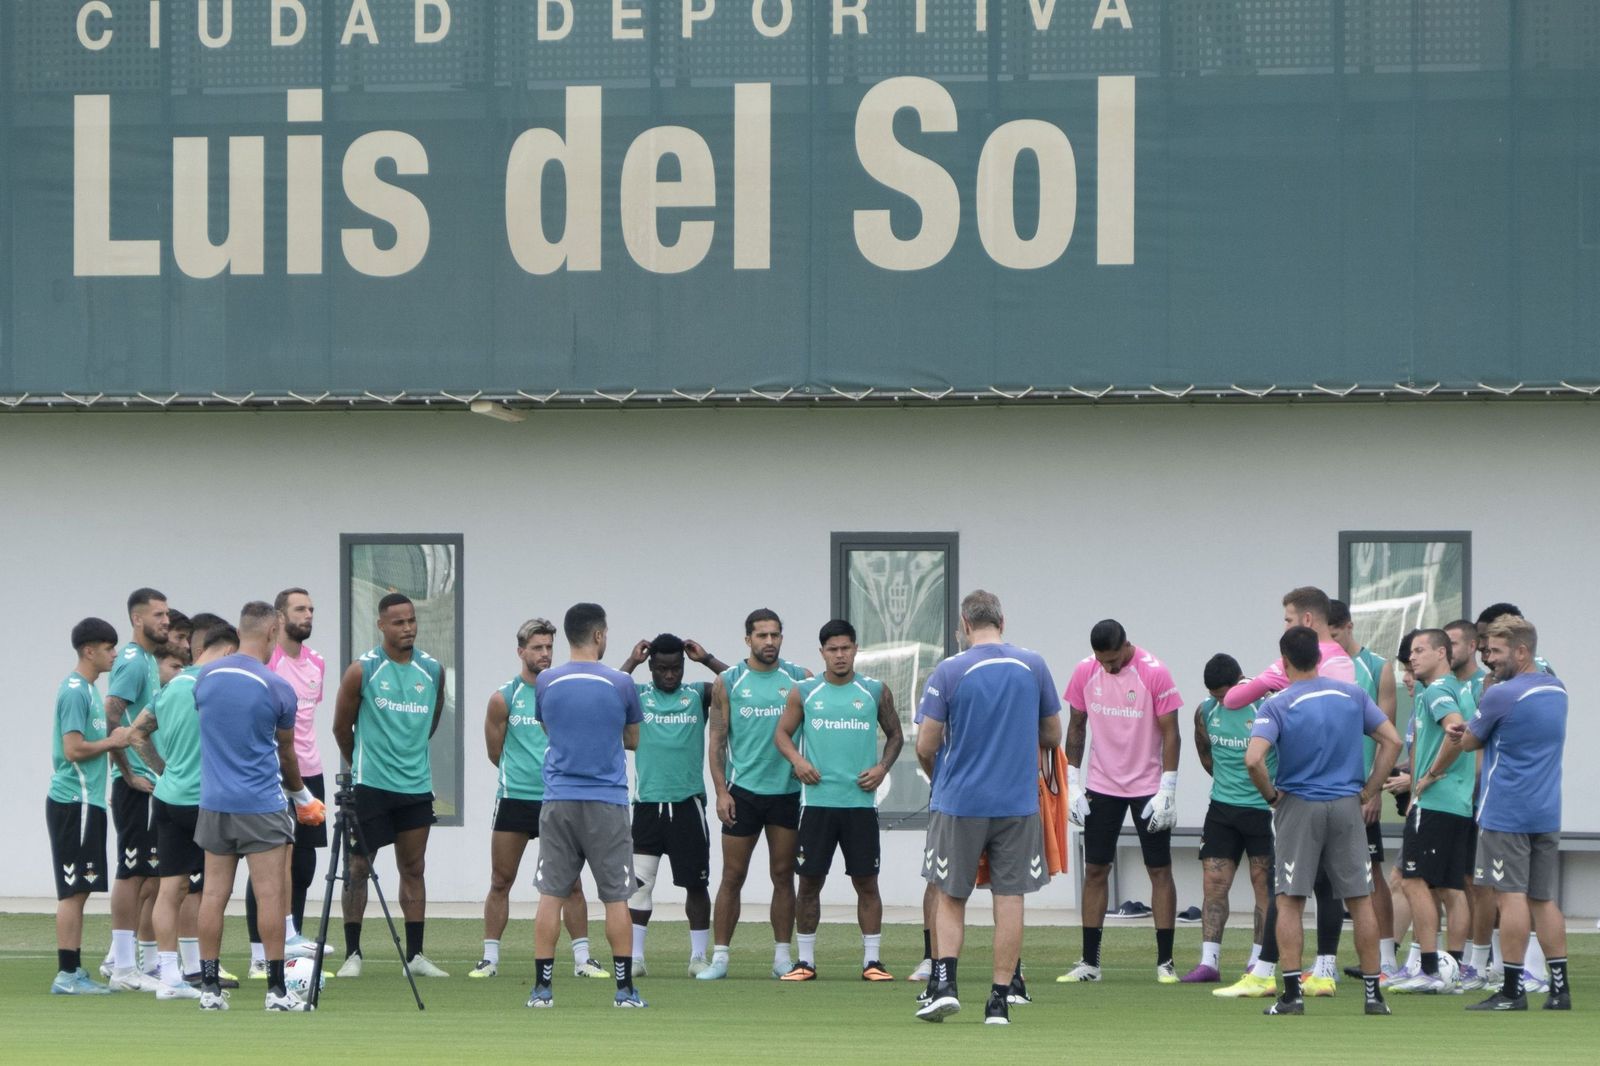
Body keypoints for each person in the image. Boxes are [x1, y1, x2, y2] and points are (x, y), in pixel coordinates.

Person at [914, 590, 1060, 1025]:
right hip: (1017, 803)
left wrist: (940, 778)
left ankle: (945, 986)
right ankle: (1000, 999)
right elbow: (1053, 734)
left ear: (964, 624)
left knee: (950, 894)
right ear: (1002, 620)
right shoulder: (1034, 665)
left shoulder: (950, 669)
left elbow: (925, 744)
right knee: (1009, 898)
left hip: (960, 801)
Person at [1245, 626, 1401, 1017]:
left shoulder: (1278, 704)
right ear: (1318, 657)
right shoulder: (1353, 695)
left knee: (1290, 899)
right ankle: (1373, 996)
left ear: (1284, 662)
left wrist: (1271, 797)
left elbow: (1253, 759)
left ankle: (1292, 995)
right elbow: (1393, 741)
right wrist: (1371, 789)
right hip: (1347, 804)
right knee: (1360, 899)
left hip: (1299, 805)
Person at [193, 602, 326, 1011]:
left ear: (239, 631)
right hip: (261, 804)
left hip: (214, 803)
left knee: (213, 893)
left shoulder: (205, 678)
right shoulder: (277, 687)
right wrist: (303, 797)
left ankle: (209, 989)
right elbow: (287, 755)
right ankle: (276, 991)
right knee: (271, 895)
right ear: (272, 632)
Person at [1226, 587, 1356, 995]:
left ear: (1307, 621)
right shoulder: (1347, 665)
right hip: (1344, 793)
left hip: (1301, 794)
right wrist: (1368, 787)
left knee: (1287, 890)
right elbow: (1377, 732)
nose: (1283, 626)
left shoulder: (1306, 669)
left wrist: (1271, 681)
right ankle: (1328, 974)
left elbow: (1234, 701)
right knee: (1332, 887)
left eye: (1287, 619)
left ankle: (1272, 976)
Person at [525, 603, 647, 1009]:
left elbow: (550, 729)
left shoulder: (546, 681)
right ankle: (624, 992)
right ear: (598, 635)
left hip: (558, 800)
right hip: (607, 802)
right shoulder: (621, 683)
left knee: (550, 895)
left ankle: (542, 991)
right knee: (616, 898)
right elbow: (633, 739)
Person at [1448, 614, 1570, 1011]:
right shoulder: (1557, 689)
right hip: (1546, 810)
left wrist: (1470, 722)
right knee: (1543, 899)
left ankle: (1513, 990)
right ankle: (1559, 990)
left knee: (1510, 897)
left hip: (1506, 811)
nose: (1490, 659)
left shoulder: (1501, 694)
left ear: (1521, 652)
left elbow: (1470, 743)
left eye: (1497, 652)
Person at [470, 618, 602, 980]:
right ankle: (489, 959)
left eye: (548, 647)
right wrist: (522, 775)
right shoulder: (504, 698)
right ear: (521, 652)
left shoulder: (561, 692)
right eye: (537, 648)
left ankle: (583, 960)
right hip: (514, 800)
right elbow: (495, 753)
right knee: (501, 880)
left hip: (557, 799)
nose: (544, 654)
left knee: (571, 882)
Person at [773, 619, 903, 982]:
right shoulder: (804, 691)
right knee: (808, 883)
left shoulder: (874, 691)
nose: (840, 655)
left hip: (860, 805)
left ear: (856, 649)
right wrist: (798, 761)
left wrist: (882, 768)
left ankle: (872, 962)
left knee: (867, 883)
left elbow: (896, 735)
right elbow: (781, 734)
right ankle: (805, 962)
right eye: (833, 649)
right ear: (822, 653)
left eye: (846, 648)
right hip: (817, 804)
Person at [332, 593, 448, 978]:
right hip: (371, 786)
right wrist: (362, 765)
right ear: (381, 625)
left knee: (413, 868)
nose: (408, 628)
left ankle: (415, 956)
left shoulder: (432, 670)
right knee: (358, 866)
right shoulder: (362, 670)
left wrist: (407, 751)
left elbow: (431, 721)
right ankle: (353, 954)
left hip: (415, 786)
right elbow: (341, 728)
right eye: (399, 622)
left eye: (412, 620)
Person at [1061, 619, 1182, 983]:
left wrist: (1168, 789)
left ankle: (1165, 963)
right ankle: (1090, 963)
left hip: (1148, 786)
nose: (1108, 667)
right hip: (1102, 784)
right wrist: (1072, 783)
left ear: (1126, 645)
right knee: (1096, 870)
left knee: (1159, 869)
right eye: (1102, 661)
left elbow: (1171, 733)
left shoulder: (1154, 672)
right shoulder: (1086, 671)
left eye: (1113, 660)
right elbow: (1076, 726)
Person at [699, 609, 812, 981]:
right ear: (748, 639)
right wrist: (721, 792)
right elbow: (716, 742)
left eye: (775, 635)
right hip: (743, 793)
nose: (769, 641)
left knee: (783, 875)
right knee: (732, 876)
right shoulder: (728, 681)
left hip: (787, 793)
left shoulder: (800, 678)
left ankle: (782, 957)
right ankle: (720, 958)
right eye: (762, 635)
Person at [132, 618, 238, 1000]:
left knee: (170, 888)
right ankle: (207, 972)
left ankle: (169, 977)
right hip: (204, 802)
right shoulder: (217, 687)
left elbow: (136, 733)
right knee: (211, 890)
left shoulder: (172, 685)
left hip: (168, 797)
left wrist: (164, 770)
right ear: (228, 651)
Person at [618, 633, 728, 977]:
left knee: (696, 885)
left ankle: (697, 957)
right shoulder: (638, 694)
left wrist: (706, 658)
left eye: (676, 668)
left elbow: (741, 685)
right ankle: (636, 958)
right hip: (648, 806)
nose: (669, 675)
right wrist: (631, 661)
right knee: (639, 886)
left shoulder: (697, 694)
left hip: (687, 806)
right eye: (662, 668)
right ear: (651, 666)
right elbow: (605, 691)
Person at [241, 588, 329, 970]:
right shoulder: (269, 662)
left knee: (303, 866)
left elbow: (304, 725)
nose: (308, 615)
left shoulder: (317, 663)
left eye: (311, 609)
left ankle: (293, 946)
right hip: (274, 775)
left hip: (309, 772)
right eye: (299, 609)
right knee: (268, 866)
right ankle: (260, 954)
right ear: (279, 618)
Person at [47, 617, 136, 995]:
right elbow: (73, 749)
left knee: (80, 889)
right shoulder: (74, 692)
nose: (114, 654)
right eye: (108, 648)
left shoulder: (87, 690)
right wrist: (114, 742)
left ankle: (74, 970)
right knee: (73, 890)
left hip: (88, 802)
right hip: (74, 802)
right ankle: (66, 975)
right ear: (89, 650)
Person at [1388, 629, 1476, 994]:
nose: (1412, 657)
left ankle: (1428, 968)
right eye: (1411, 652)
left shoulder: (1438, 690)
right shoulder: (1456, 688)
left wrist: (1429, 776)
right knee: (1451, 887)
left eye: (1420, 650)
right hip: (1458, 803)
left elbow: (1456, 732)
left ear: (1442, 653)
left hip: (1436, 802)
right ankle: (1452, 969)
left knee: (1413, 881)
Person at [1183, 654, 1272, 985]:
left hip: (1263, 809)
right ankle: (1209, 962)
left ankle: (1258, 961)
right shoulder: (1206, 711)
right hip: (1222, 809)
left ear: (1239, 683)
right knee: (1214, 883)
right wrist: (1228, 784)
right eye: (1215, 696)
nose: (1222, 701)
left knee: (1263, 884)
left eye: (1225, 695)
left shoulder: (1265, 707)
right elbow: (1206, 754)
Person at [1329, 599, 1400, 983]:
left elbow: (1386, 735)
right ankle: (1325, 961)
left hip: (1360, 790)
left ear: (1349, 627)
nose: (1332, 641)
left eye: (1336, 634)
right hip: (1324, 790)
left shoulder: (1376, 667)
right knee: (1324, 877)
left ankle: (1385, 959)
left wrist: (1373, 791)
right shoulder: (1317, 666)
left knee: (1370, 872)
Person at [104, 587, 170, 992]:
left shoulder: (146, 660)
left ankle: (120, 958)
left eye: (166, 614)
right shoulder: (131, 660)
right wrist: (127, 773)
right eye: (158, 615)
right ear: (137, 619)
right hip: (137, 784)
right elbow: (111, 715)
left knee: (149, 875)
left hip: (150, 781)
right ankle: (123, 967)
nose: (165, 621)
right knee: (131, 872)